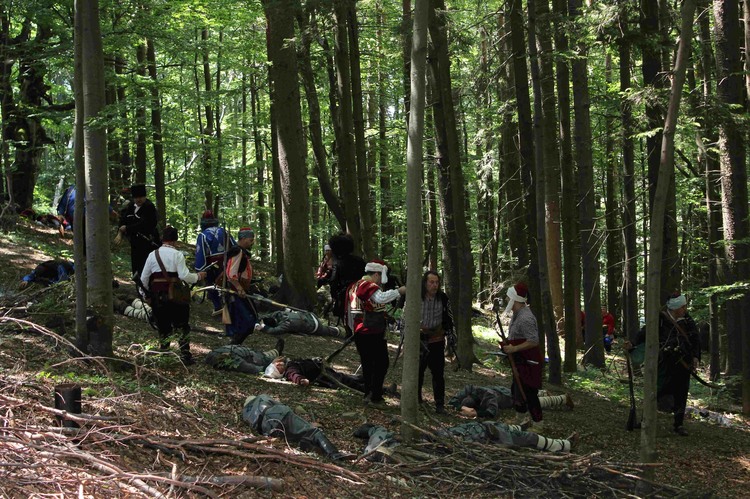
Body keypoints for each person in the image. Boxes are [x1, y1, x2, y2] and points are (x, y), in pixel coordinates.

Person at [625, 293, 700, 436]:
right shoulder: (660, 319)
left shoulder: (688, 320)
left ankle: (678, 425)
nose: (685, 309)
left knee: (681, 394)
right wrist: (632, 344)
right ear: (676, 308)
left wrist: (695, 357)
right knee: (656, 392)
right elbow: (644, 333)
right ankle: (645, 420)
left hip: (683, 365)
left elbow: (695, 338)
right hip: (664, 364)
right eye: (682, 306)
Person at [353, 422, 577, 463]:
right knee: (521, 437)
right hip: (452, 440)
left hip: (446, 438)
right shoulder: (381, 445)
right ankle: (561, 445)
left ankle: (561, 445)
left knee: (517, 435)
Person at [140, 226, 206, 365]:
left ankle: (164, 352)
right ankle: (185, 355)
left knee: (163, 326)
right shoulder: (178, 255)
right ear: (175, 241)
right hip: (176, 297)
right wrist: (198, 277)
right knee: (182, 325)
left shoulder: (153, 254)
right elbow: (184, 276)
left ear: (163, 239)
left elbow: (144, 279)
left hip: (158, 297)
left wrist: (145, 295)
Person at [347, 259, 406, 404]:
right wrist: (399, 291)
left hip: (366, 331)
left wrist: (387, 317)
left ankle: (371, 393)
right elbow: (380, 298)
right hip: (369, 331)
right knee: (378, 364)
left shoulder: (356, 285)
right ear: (377, 274)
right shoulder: (366, 285)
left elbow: (372, 306)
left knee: (371, 364)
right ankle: (374, 395)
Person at [242, 394, 354, 461]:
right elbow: (278, 404)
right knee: (313, 432)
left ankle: (305, 443)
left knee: (295, 436)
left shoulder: (245, 414)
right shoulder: (261, 398)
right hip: (280, 415)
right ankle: (335, 454)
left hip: (269, 430)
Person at [500, 282, 544, 430]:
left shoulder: (526, 317)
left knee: (529, 392)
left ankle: (538, 423)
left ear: (515, 298)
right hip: (520, 361)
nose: (507, 300)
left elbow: (533, 340)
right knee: (516, 389)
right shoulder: (517, 314)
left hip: (528, 362)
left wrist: (515, 348)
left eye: (508, 297)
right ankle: (520, 418)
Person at [413, 271, 455, 414]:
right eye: (431, 282)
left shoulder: (443, 298)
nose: (434, 285)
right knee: (418, 371)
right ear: (425, 283)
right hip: (419, 339)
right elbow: (407, 316)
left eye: (436, 282)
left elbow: (449, 318)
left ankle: (439, 404)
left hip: (437, 340)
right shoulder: (416, 296)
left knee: (438, 373)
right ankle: (416, 400)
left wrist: (451, 338)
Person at [448, 385, 574, 419]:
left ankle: (563, 398)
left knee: (533, 402)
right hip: (503, 391)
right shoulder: (469, 389)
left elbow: (491, 412)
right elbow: (452, 402)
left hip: (512, 399)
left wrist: (477, 413)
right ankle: (542, 392)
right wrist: (460, 407)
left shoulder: (488, 397)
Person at [194, 210, 236, 312]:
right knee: (227, 284)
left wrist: (199, 268)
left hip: (212, 266)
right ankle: (229, 305)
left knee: (211, 284)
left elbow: (201, 254)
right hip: (228, 263)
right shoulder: (224, 231)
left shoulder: (203, 235)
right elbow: (235, 247)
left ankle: (218, 307)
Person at [262, 355, 370, 393]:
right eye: (277, 366)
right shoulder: (289, 370)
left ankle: (370, 381)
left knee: (349, 378)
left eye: (277, 363)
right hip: (323, 377)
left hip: (324, 371)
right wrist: (301, 380)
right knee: (349, 382)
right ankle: (374, 390)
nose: (279, 363)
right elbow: (294, 375)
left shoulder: (290, 363)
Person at [223, 227, 257, 345]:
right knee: (247, 321)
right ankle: (233, 347)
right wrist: (239, 287)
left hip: (241, 291)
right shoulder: (237, 252)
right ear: (243, 238)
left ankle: (235, 346)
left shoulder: (242, 252)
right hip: (236, 292)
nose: (252, 242)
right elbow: (231, 273)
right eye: (250, 239)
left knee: (249, 321)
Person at [118, 183, 160, 277]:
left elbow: (145, 224)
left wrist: (128, 228)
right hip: (135, 242)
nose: (139, 199)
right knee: (136, 265)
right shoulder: (131, 206)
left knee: (146, 265)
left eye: (141, 197)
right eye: (136, 197)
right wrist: (121, 230)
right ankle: (138, 285)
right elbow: (124, 219)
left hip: (148, 242)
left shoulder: (149, 207)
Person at [328, 233, 366, 329]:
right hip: (361, 290)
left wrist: (333, 294)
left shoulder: (338, 263)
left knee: (343, 310)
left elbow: (333, 280)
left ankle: (349, 330)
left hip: (345, 293)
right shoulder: (360, 260)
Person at [204, 339, 284, 373]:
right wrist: (268, 367)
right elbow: (250, 368)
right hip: (252, 357)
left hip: (246, 352)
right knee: (266, 357)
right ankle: (276, 352)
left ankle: (275, 353)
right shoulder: (233, 360)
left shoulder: (213, 354)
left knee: (264, 355)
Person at [259, 308, 346, 338]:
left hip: (313, 326)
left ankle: (342, 332)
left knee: (327, 330)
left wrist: (263, 327)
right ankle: (342, 329)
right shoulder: (279, 314)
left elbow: (274, 331)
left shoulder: (285, 324)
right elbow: (268, 315)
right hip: (310, 315)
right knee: (324, 323)